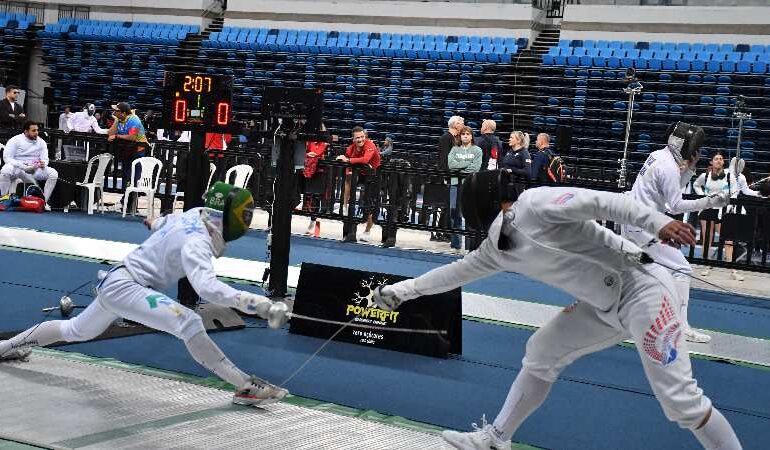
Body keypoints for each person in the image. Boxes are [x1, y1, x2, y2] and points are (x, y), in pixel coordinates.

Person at [371, 170, 742, 450]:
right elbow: (452, 274)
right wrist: (402, 292)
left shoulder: (535, 203)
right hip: (602, 306)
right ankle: (496, 438)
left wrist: (657, 222)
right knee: (541, 351)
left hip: (644, 288)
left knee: (681, 403)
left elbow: (603, 202)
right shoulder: (495, 248)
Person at [0, 182, 291, 407]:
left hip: (120, 281)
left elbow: (161, 222)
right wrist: (260, 305)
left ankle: (4, 348)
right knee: (188, 321)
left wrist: (153, 222)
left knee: (75, 330)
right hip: (127, 285)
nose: (247, 222)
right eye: (245, 216)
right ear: (228, 216)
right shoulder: (198, 242)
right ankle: (244, 386)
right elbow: (208, 289)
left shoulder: (192, 215)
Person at [623, 122, 730, 344]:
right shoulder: (668, 167)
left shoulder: (657, 155)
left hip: (636, 222)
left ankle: (629, 318)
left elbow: (670, 190)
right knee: (681, 268)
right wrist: (709, 201)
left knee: (649, 273)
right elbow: (675, 205)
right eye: (692, 145)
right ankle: (681, 327)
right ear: (682, 144)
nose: (693, 150)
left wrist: (690, 169)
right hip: (644, 226)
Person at [0, 120, 58, 211]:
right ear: (26, 131)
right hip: (18, 168)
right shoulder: (15, 140)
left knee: (53, 173)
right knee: (5, 170)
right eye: (33, 131)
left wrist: (43, 163)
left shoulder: (41, 142)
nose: (36, 133)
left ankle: (44, 202)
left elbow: (45, 159)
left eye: (37, 130)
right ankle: (3, 198)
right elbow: (7, 158)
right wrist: (22, 166)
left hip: (34, 170)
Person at [336, 126, 381, 242]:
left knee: (368, 205)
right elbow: (347, 164)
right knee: (348, 178)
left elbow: (365, 160)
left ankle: (367, 230)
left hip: (374, 175)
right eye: (357, 138)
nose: (360, 140)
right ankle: (345, 206)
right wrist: (344, 160)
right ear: (353, 139)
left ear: (364, 137)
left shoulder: (370, 145)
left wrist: (349, 160)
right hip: (360, 174)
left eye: (362, 137)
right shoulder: (350, 149)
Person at [108, 102, 148, 211]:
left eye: (116, 110)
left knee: (133, 178)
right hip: (127, 151)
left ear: (123, 113)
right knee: (126, 177)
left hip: (138, 151)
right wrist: (116, 120)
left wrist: (116, 136)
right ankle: (125, 203)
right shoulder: (120, 119)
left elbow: (132, 137)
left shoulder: (134, 120)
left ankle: (130, 205)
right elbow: (110, 133)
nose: (114, 112)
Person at [447, 125, 482, 252]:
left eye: (468, 134)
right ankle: (456, 245)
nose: (465, 136)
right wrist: (467, 164)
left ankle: (469, 246)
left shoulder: (477, 150)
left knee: (469, 214)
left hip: (470, 185)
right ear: (460, 136)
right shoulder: (455, 149)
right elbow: (451, 165)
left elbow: (475, 168)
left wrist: (459, 167)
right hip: (455, 184)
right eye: (463, 134)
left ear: (471, 136)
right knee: (454, 212)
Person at [692, 151, 729, 270]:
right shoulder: (705, 176)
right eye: (716, 158)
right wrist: (703, 195)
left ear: (723, 162)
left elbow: (730, 190)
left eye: (721, 159)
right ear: (711, 162)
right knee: (707, 236)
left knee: (726, 236)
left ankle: (730, 264)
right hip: (707, 208)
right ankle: (705, 261)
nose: (718, 160)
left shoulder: (727, 176)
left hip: (721, 209)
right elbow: (696, 185)